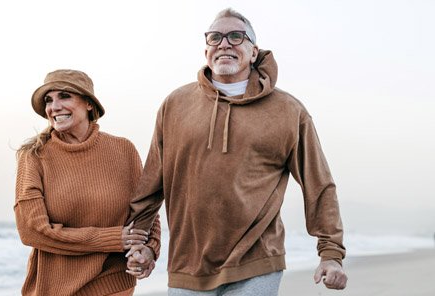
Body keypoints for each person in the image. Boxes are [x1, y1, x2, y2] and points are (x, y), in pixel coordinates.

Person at [127, 8, 347, 295]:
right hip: (187, 265)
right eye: (215, 37)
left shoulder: (288, 111)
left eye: (235, 37)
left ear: (253, 52)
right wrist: (140, 244)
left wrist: (331, 253)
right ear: (206, 49)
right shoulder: (176, 105)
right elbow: (152, 183)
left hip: (257, 261)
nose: (224, 44)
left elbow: (318, 185)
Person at [14, 69, 160, 296]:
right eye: (49, 100)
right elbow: (32, 231)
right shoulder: (34, 156)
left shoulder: (123, 150)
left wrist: (148, 251)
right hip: (54, 289)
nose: (54, 106)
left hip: (113, 285)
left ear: (89, 104)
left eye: (64, 96)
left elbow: (146, 212)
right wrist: (112, 238)